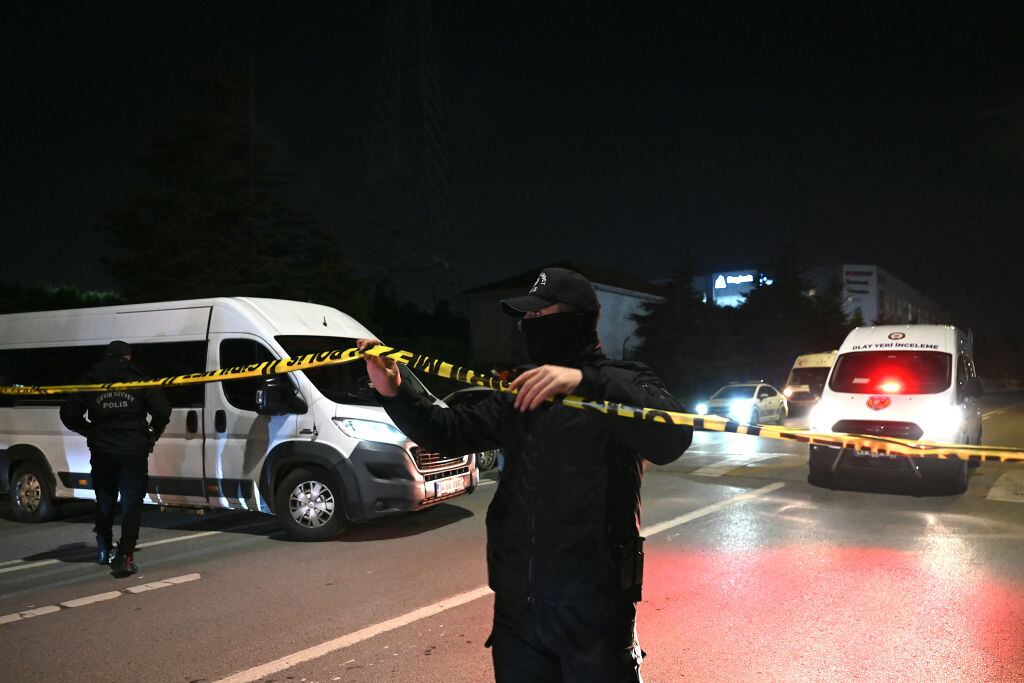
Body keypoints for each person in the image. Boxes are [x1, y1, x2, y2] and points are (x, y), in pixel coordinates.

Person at [360, 267, 692, 682]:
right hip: (518, 605)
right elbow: (450, 431)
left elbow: (673, 436)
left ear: (578, 317)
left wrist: (585, 381)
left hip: (592, 607)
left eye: (541, 315)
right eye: (527, 318)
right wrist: (394, 390)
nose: (530, 325)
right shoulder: (521, 391)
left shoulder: (624, 382)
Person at [60, 340, 170, 577]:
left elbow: (68, 413)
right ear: (128, 357)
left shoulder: (91, 378)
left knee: (105, 500)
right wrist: (153, 433)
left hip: (103, 450)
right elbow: (162, 410)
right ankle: (126, 555)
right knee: (131, 504)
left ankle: (103, 548)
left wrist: (88, 430)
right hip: (133, 450)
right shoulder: (139, 377)